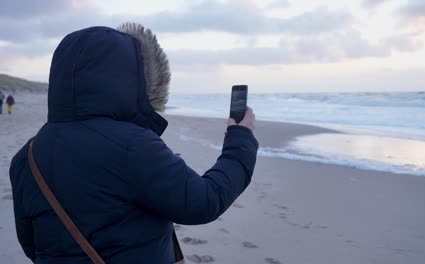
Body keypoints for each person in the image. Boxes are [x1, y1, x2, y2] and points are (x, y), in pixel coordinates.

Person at [9, 23, 258, 264]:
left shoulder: (25, 157)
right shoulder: (133, 146)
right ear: (129, 80)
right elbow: (204, 201)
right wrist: (240, 139)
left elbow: (30, 244)